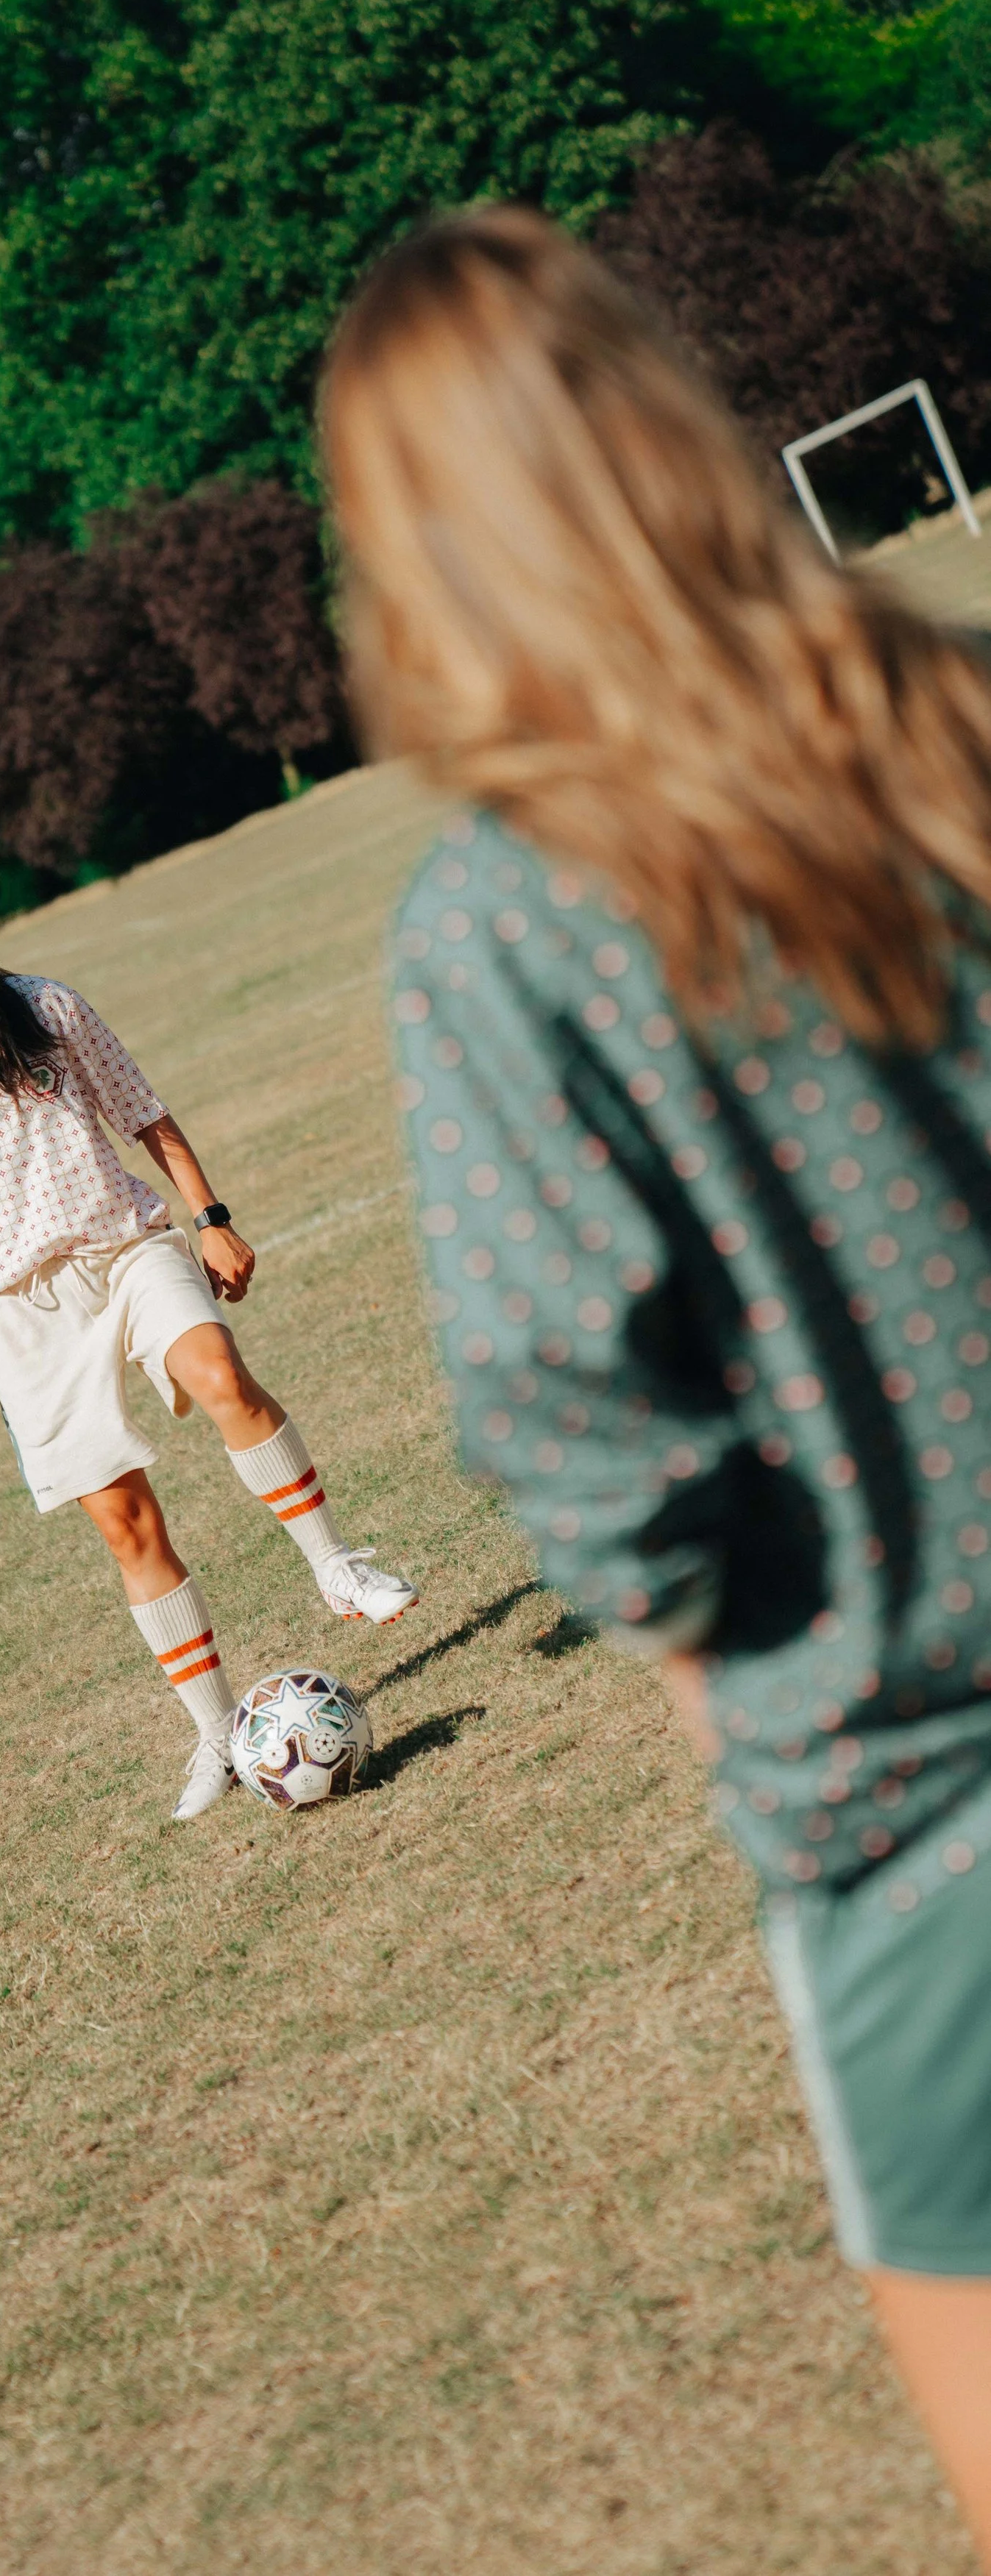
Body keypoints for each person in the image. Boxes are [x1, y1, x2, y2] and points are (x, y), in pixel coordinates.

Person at [320, 203, 991, 2558]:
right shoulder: (965, 714)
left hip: (922, 1826)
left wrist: (719, 1668)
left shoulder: (495, 929)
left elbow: (567, 1415)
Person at [0, 869, 419, 1820]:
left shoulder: (44, 1008)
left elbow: (145, 1113)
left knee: (221, 1373)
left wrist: (210, 1214)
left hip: (127, 1246)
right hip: (16, 1316)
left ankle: (337, 1564)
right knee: (126, 1525)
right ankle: (217, 1736)